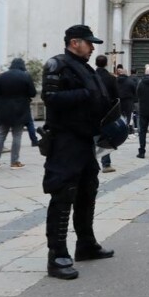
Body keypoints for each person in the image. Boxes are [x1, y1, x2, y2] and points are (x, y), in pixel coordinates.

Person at [41, 25, 115, 279]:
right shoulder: (57, 65)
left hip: (85, 140)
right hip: (65, 140)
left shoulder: (85, 67)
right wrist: (86, 94)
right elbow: (50, 97)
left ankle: (86, 243)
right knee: (63, 195)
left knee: (87, 192)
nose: (93, 47)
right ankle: (58, 255)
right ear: (74, 42)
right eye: (88, 43)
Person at [0, 58, 36, 169]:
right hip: (20, 109)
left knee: (1, 135)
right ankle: (14, 162)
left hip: (4, 108)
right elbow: (33, 93)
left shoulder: (2, 76)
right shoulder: (26, 76)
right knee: (17, 135)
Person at [94, 55, 120, 173]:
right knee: (105, 138)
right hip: (106, 112)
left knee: (92, 136)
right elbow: (116, 96)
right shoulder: (111, 78)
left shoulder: (90, 76)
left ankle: (91, 162)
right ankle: (106, 164)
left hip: (92, 111)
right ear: (105, 64)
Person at [116, 65, 137, 133]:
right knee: (128, 116)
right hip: (128, 101)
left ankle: (120, 130)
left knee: (120, 116)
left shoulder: (115, 81)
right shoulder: (130, 81)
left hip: (119, 101)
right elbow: (135, 91)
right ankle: (127, 130)